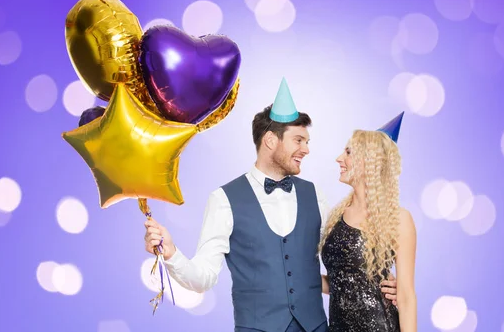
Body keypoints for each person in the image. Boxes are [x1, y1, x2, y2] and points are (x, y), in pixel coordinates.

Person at [143, 78, 398, 332]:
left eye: (307, 141)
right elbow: (203, 278)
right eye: (298, 140)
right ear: (270, 141)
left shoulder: (315, 196)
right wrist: (171, 253)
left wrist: (381, 285)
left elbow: (343, 263)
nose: (306, 149)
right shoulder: (223, 200)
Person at [319, 113, 417, 332]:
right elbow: (339, 282)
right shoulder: (337, 216)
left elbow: (407, 296)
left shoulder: (399, 219)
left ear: (368, 162)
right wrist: (295, 279)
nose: (339, 158)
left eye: (348, 152)